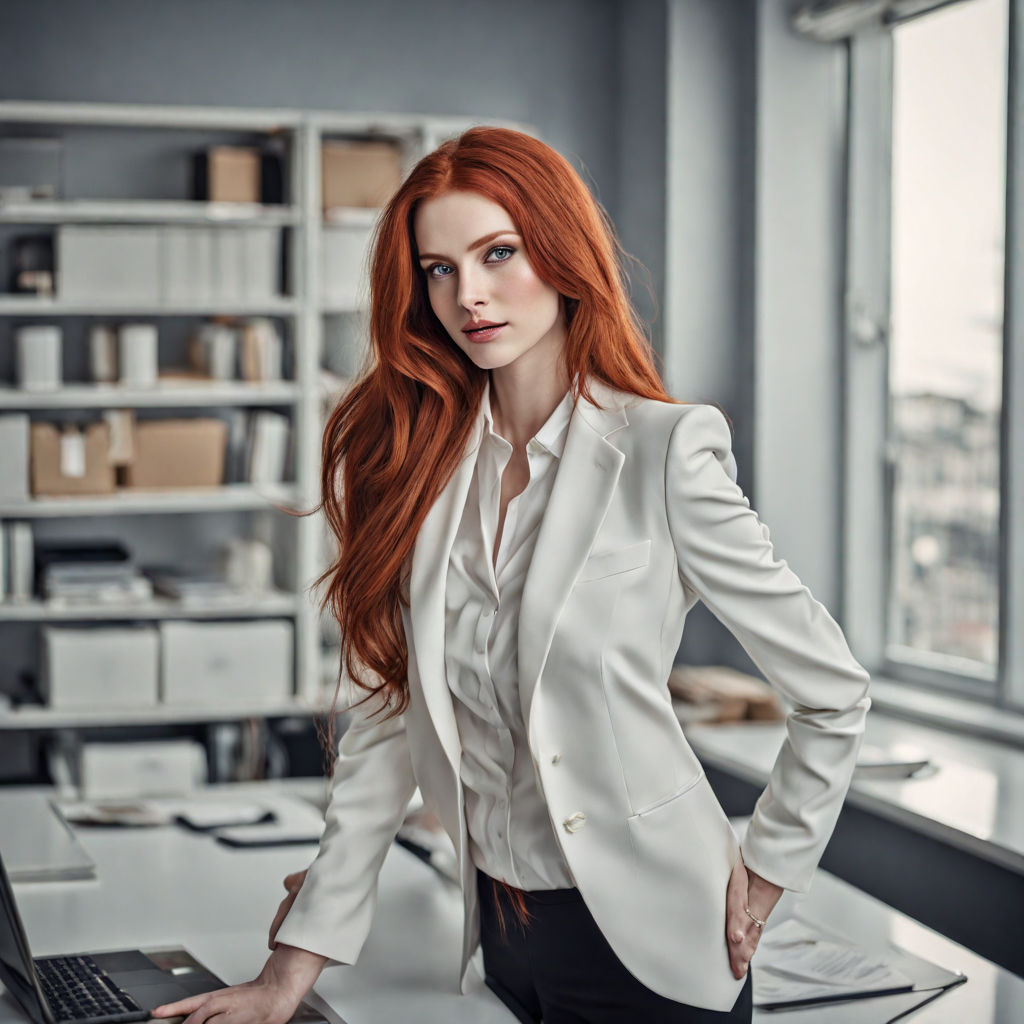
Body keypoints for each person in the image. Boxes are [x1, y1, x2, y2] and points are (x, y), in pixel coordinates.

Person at [153, 127, 871, 1024]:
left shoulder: (665, 450)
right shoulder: (421, 464)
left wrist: (767, 873)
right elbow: (386, 732)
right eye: (440, 269)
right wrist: (288, 973)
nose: (471, 295)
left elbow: (832, 690)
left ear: (564, 254)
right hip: (498, 932)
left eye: (500, 252)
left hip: (658, 944)